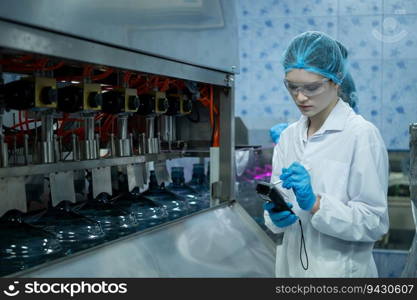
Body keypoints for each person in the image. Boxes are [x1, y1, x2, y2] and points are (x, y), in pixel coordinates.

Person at [263, 31, 389, 277]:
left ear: (336, 81)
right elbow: (279, 202)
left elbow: (375, 223)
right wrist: (275, 216)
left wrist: (316, 204)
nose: (300, 97)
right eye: (292, 86)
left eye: (312, 87)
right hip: (292, 271)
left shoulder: (361, 135)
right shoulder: (289, 137)